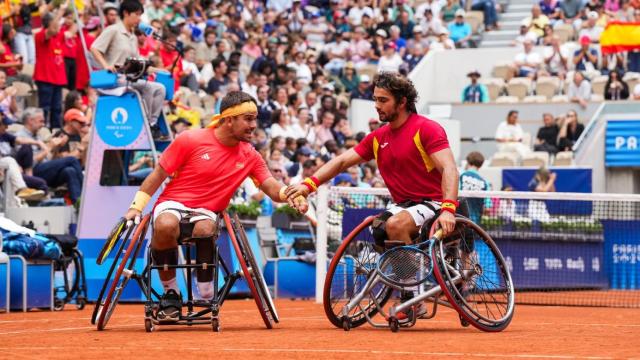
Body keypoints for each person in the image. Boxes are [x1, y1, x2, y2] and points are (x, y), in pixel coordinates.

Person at [122, 91, 306, 322]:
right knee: (165, 225)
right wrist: (136, 207)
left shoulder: (250, 155)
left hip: (207, 211)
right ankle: (171, 293)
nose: (254, 125)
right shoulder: (190, 139)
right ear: (229, 120)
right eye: (248, 119)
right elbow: (158, 175)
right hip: (173, 202)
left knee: (205, 229)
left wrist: (291, 194)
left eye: (255, 118)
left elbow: (271, 187)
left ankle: (206, 286)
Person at [286, 71, 458, 249]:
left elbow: (449, 169)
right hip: (405, 206)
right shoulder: (377, 137)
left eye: (383, 100)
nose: (376, 105)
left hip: (436, 203)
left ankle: (411, 275)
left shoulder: (427, 128)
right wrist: (307, 186)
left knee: (395, 225)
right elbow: (342, 161)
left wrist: (448, 209)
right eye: (375, 99)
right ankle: (405, 271)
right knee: (377, 228)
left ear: (402, 102)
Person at [90, 0, 167, 136]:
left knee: (160, 88)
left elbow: (138, 64)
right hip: (114, 79)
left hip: (129, 78)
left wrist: (159, 70)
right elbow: (94, 48)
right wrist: (106, 65)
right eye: (136, 15)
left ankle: (152, 123)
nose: (139, 19)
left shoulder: (133, 36)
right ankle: (147, 124)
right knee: (147, 87)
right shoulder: (113, 30)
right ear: (126, 13)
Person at [459, 151, 490, 225]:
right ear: (480, 165)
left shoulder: (461, 176)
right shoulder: (484, 182)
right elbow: (487, 208)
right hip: (475, 224)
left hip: (460, 220)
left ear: (468, 162)